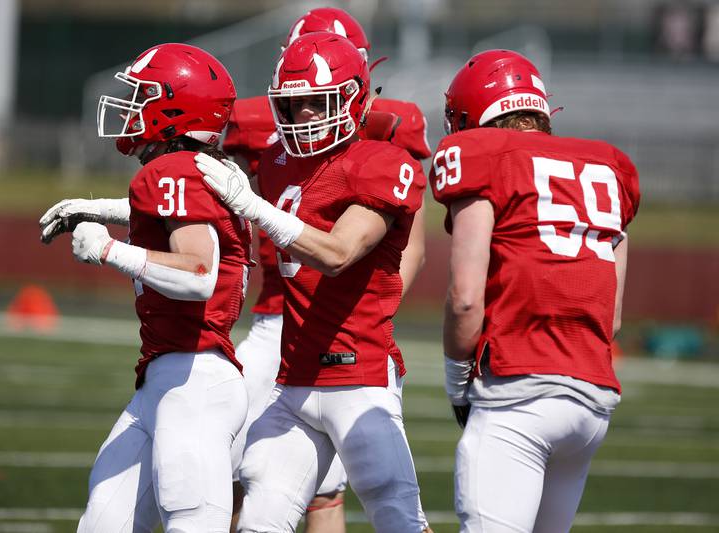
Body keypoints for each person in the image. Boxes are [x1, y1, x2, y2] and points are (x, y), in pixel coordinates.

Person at [196, 32, 432, 533]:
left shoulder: (380, 163)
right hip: (294, 380)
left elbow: (338, 252)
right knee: (259, 515)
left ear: (354, 98)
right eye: (293, 102)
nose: (304, 113)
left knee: (399, 516)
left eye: (316, 101)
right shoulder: (278, 163)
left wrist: (252, 204)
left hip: (360, 377)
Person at [39, 43, 252, 532]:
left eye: (143, 96)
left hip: (192, 381)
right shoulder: (196, 171)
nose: (132, 109)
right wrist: (92, 208)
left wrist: (112, 251)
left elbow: (200, 274)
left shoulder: (172, 171)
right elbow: (160, 214)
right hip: (170, 379)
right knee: (102, 524)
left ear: (174, 107)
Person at [430, 50, 641, 532]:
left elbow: (465, 296)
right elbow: (612, 319)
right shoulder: (610, 167)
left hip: (518, 393)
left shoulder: (484, 156)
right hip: (591, 400)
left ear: (470, 116)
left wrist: (455, 378)